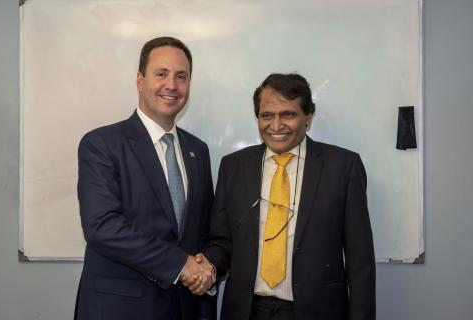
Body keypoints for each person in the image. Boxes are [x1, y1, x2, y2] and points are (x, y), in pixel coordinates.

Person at [193, 73, 376, 319]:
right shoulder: (233, 166)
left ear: (308, 117)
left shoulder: (343, 167)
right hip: (246, 310)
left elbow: (360, 262)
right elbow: (222, 240)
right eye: (267, 115)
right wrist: (210, 266)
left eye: (288, 114)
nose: (276, 126)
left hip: (317, 310)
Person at [74, 37, 216, 320]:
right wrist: (181, 265)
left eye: (181, 76)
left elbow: (203, 227)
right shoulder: (101, 144)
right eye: (161, 74)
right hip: (120, 309)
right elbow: (102, 226)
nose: (172, 85)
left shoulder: (197, 150)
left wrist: (206, 268)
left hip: (184, 308)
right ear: (140, 80)